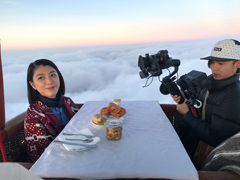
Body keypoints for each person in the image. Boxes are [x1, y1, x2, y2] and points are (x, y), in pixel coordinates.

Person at [171, 39, 240, 163]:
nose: (214, 67)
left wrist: (186, 115)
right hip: (189, 144)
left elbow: (216, 138)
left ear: (237, 64)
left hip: (202, 156)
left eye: (220, 63)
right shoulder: (210, 81)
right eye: (212, 62)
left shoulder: (233, 96)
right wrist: (184, 96)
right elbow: (201, 102)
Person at [24, 59, 79, 162]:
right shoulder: (34, 116)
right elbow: (42, 157)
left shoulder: (67, 102)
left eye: (53, 75)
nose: (49, 81)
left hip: (80, 153)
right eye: (41, 77)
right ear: (33, 85)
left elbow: (82, 127)